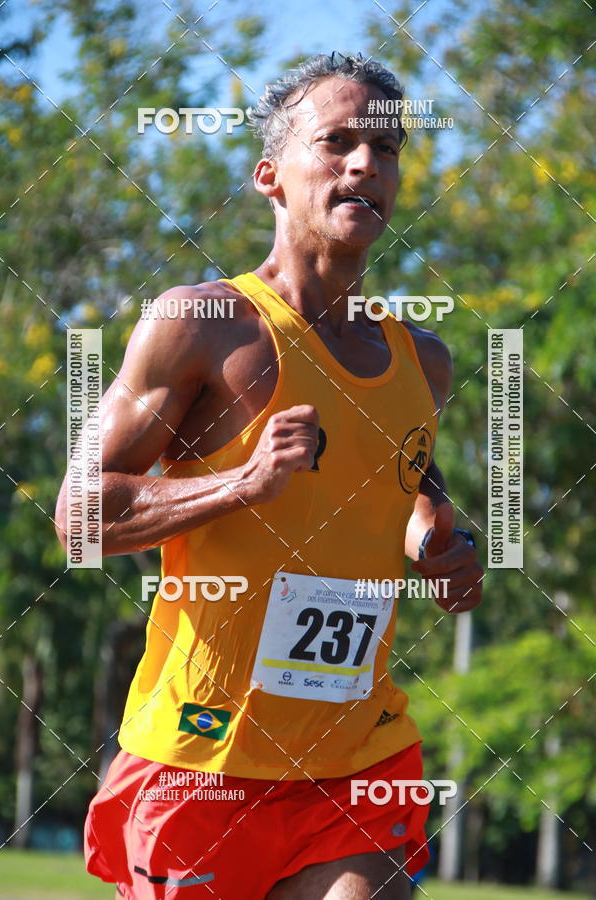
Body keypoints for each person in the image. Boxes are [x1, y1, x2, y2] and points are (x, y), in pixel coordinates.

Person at [55, 51, 483, 900]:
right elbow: (78, 518)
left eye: (387, 149)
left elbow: (403, 484)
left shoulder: (420, 361)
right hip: (201, 756)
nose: (366, 163)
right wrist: (240, 484)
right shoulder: (204, 325)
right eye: (338, 142)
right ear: (270, 178)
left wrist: (444, 538)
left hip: (355, 754)